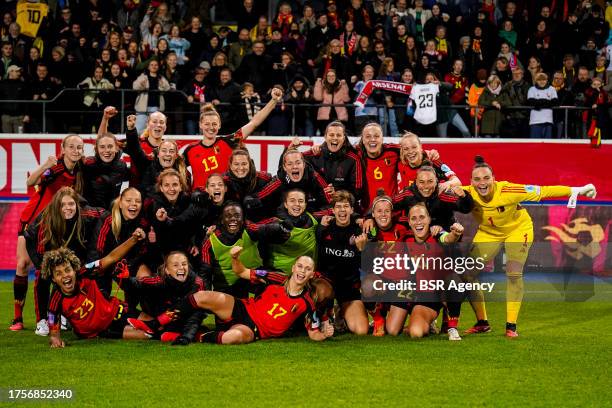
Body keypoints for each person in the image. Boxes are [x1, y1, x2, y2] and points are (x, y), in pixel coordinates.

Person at [464, 156, 597, 337]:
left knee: (513, 272)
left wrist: (575, 190)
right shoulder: (465, 192)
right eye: (477, 179)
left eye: (486, 178)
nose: (482, 183)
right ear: (471, 182)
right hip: (488, 232)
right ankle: (482, 322)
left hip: (518, 229)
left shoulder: (509, 190)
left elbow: (543, 191)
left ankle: (511, 326)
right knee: (467, 272)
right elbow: (434, 189)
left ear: (494, 178)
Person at [163, 249, 334, 344]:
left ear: (312, 274)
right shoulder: (274, 278)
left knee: (233, 337)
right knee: (201, 296)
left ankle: (196, 336)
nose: (302, 271)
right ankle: (158, 323)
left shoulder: (307, 303)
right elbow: (241, 271)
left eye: (307, 269)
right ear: (293, 268)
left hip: (254, 329)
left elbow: (313, 333)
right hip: (241, 307)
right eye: (300, 266)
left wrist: (325, 334)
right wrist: (235, 257)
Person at [11, 135, 84, 331]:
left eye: (79, 147)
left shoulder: (80, 170)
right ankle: (19, 318)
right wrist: (45, 165)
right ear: (63, 148)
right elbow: (30, 182)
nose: (76, 150)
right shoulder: (55, 168)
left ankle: (59, 315)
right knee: (24, 264)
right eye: (72, 147)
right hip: (33, 221)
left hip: (56, 225)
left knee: (58, 267)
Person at [45, 229, 149, 348]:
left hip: (116, 310)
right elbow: (53, 329)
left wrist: (134, 239)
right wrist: (55, 339)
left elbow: (111, 258)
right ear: (53, 279)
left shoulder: (85, 272)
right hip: (104, 330)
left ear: (74, 270)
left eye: (68, 270)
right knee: (146, 334)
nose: (65, 276)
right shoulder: (55, 300)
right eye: (58, 274)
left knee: (154, 323)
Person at [24, 187, 104, 335]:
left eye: (71, 204)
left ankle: (67, 316)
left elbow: (105, 214)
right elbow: (29, 236)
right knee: (42, 277)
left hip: (75, 252)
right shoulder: (46, 219)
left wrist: (93, 253)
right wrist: (40, 265)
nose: (68, 208)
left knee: (77, 276)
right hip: (51, 251)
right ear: (57, 206)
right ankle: (42, 320)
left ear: (77, 205)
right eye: (63, 205)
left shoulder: (86, 213)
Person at [182, 87, 283, 189]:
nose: (211, 128)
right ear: (200, 125)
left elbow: (254, 123)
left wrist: (273, 100)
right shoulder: (190, 149)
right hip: (199, 201)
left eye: (214, 124)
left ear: (219, 125)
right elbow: (175, 169)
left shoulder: (229, 141)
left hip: (225, 199)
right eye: (207, 124)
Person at [200, 201, 288, 296]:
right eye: (228, 216)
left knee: (282, 279)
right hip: (228, 286)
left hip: (254, 275)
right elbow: (205, 273)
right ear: (222, 220)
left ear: (243, 220)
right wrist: (207, 296)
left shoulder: (248, 228)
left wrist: (280, 228)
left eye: (237, 216)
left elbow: (265, 229)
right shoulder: (209, 241)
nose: (233, 219)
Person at [119, 251, 207, 345]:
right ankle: (160, 329)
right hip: (158, 318)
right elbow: (137, 284)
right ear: (167, 270)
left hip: (182, 321)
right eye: (175, 265)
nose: (181, 267)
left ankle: (161, 329)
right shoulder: (160, 280)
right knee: (124, 315)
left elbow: (197, 314)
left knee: (189, 309)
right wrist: (125, 279)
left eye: (184, 264)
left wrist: (186, 337)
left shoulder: (197, 284)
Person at [317, 191, 369, 335]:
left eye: (346, 206)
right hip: (327, 285)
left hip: (349, 287)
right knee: (321, 290)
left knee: (361, 330)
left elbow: (368, 268)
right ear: (333, 210)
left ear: (352, 210)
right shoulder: (323, 229)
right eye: (338, 206)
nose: (342, 210)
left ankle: (340, 313)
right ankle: (325, 315)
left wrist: (361, 251)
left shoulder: (360, 232)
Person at [244, 149, 332, 219]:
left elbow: (332, 207)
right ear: (285, 168)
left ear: (304, 164)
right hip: (284, 222)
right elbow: (257, 197)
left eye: (298, 163)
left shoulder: (315, 177)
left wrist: (311, 217)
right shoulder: (279, 181)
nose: (294, 167)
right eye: (290, 164)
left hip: (310, 222)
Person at [297, 121, 365, 207]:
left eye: (339, 135)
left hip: (342, 208)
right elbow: (290, 162)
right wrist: (290, 148)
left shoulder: (353, 159)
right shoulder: (315, 154)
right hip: (316, 207)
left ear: (344, 138)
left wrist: (338, 193)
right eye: (331, 135)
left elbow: (358, 192)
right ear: (325, 137)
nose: (335, 138)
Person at [124, 114, 189, 199]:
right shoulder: (146, 162)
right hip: (139, 199)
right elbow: (135, 150)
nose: (167, 154)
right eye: (154, 121)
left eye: (161, 122)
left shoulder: (181, 169)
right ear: (157, 154)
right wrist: (131, 129)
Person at [82, 133, 130, 209]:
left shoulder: (121, 166)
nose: (107, 150)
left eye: (110, 146)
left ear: (116, 148)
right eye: (102, 147)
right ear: (96, 149)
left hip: (113, 213)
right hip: (92, 215)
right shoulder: (87, 164)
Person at [133, 59, 172, 134]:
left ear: (158, 67)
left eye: (156, 65)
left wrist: (162, 85)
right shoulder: (143, 76)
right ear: (148, 67)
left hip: (156, 107)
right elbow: (135, 86)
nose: (154, 66)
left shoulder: (161, 77)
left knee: (154, 130)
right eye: (152, 65)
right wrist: (142, 84)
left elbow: (167, 88)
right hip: (142, 108)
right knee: (138, 129)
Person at [313, 69, 350, 134]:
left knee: (339, 135)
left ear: (336, 77)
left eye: (333, 76)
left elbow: (346, 99)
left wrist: (344, 85)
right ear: (326, 77)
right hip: (325, 117)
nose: (331, 77)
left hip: (339, 116)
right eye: (329, 76)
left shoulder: (341, 85)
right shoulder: (322, 85)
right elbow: (318, 98)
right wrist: (318, 83)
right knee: (325, 136)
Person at [527, 73, 558, 139]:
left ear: (547, 80)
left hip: (548, 121)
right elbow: (531, 102)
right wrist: (547, 102)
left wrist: (539, 103)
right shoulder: (532, 89)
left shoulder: (552, 89)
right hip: (535, 122)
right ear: (536, 81)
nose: (542, 81)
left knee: (547, 145)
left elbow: (554, 102)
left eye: (544, 79)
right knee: (535, 144)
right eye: (539, 80)